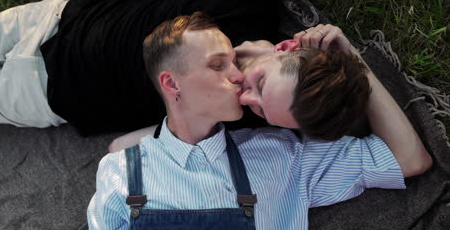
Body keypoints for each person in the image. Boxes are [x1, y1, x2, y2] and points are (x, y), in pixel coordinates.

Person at [87, 12, 432, 229]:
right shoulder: (121, 171)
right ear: (171, 83)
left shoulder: (284, 157)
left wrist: (351, 57)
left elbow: (410, 160)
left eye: (263, 110)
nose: (240, 83)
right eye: (220, 64)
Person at [0, 0, 282, 136]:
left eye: (260, 109)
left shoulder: (243, 113)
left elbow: (169, 132)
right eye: (263, 84)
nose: (247, 97)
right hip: (59, 19)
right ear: (289, 47)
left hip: (48, 93)